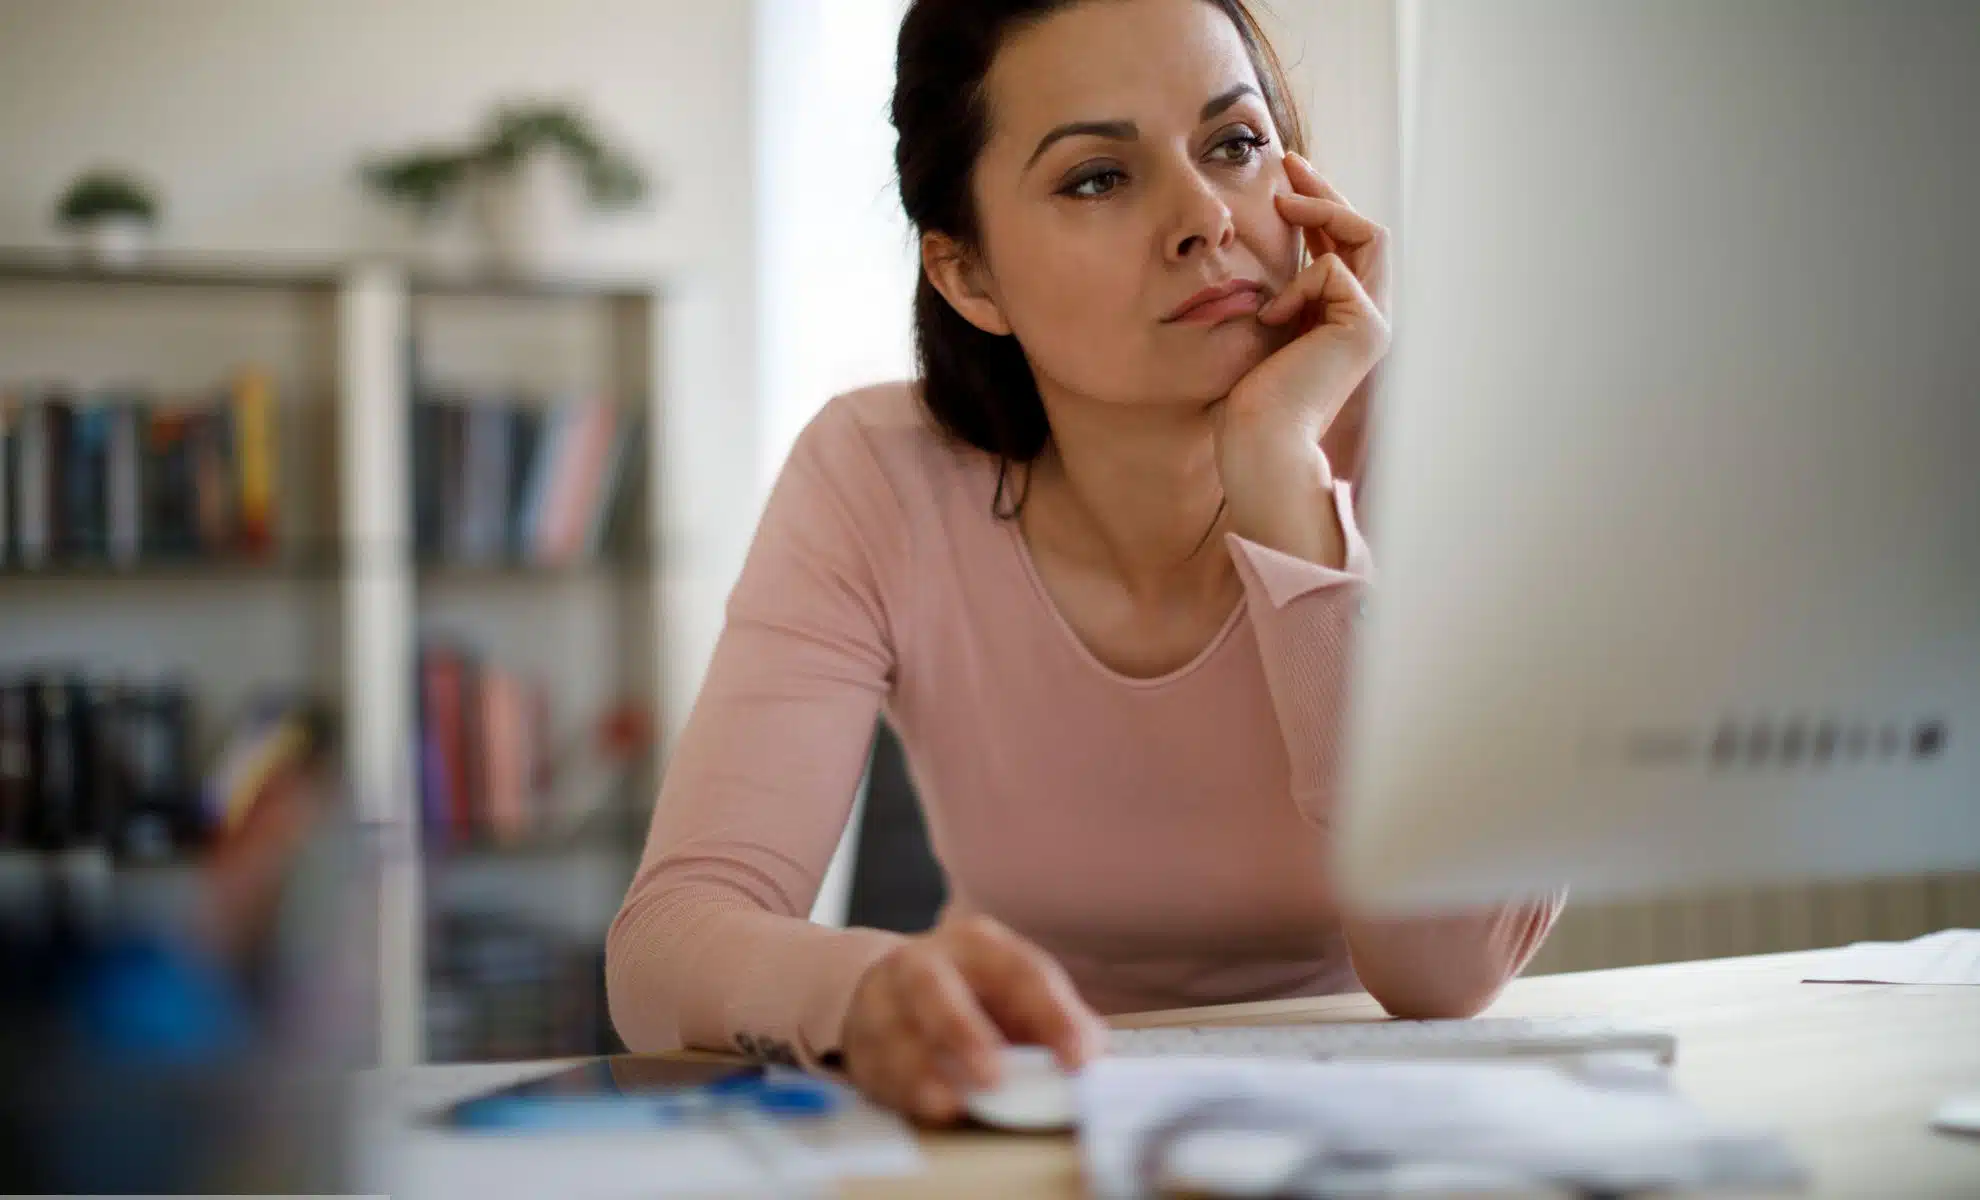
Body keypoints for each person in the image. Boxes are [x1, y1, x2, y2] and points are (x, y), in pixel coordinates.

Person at [607, 0, 1561, 1123]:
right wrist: (864, 993)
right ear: (970, 277)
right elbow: (666, 945)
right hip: (1023, 1114)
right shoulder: (877, 475)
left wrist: (1282, 478)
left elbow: (1447, 973)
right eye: (1098, 177)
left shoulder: (1440, 437)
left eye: (1235, 144)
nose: (1206, 216)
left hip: (1381, 1132)